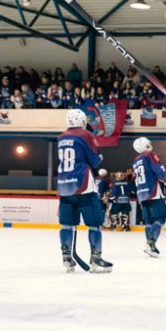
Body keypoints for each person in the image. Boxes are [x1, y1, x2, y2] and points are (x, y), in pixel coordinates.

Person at [56, 108, 111, 273]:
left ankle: (66, 257)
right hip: (84, 186)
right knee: (94, 224)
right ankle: (96, 258)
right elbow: (95, 161)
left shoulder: (61, 137)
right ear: (81, 120)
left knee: (67, 224)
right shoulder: (86, 135)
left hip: (64, 186)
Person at [131, 137, 166, 257]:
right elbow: (158, 170)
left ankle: (151, 246)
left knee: (149, 221)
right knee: (161, 217)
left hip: (142, 193)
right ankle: (151, 243)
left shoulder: (135, 160)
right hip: (153, 191)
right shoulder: (149, 155)